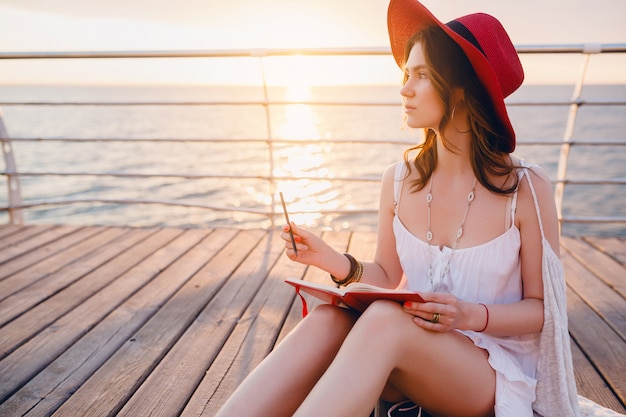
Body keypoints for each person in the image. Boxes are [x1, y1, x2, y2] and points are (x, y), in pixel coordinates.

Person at [215, 0, 583, 416]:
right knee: (327, 320)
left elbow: (541, 310)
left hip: (493, 371)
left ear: (462, 88)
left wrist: (469, 315)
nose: (404, 88)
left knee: (384, 323)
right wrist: (332, 260)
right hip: (413, 351)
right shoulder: (397, 179)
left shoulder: (524, 188)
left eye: (421, 75)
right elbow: (388, 276)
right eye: (406, 74)